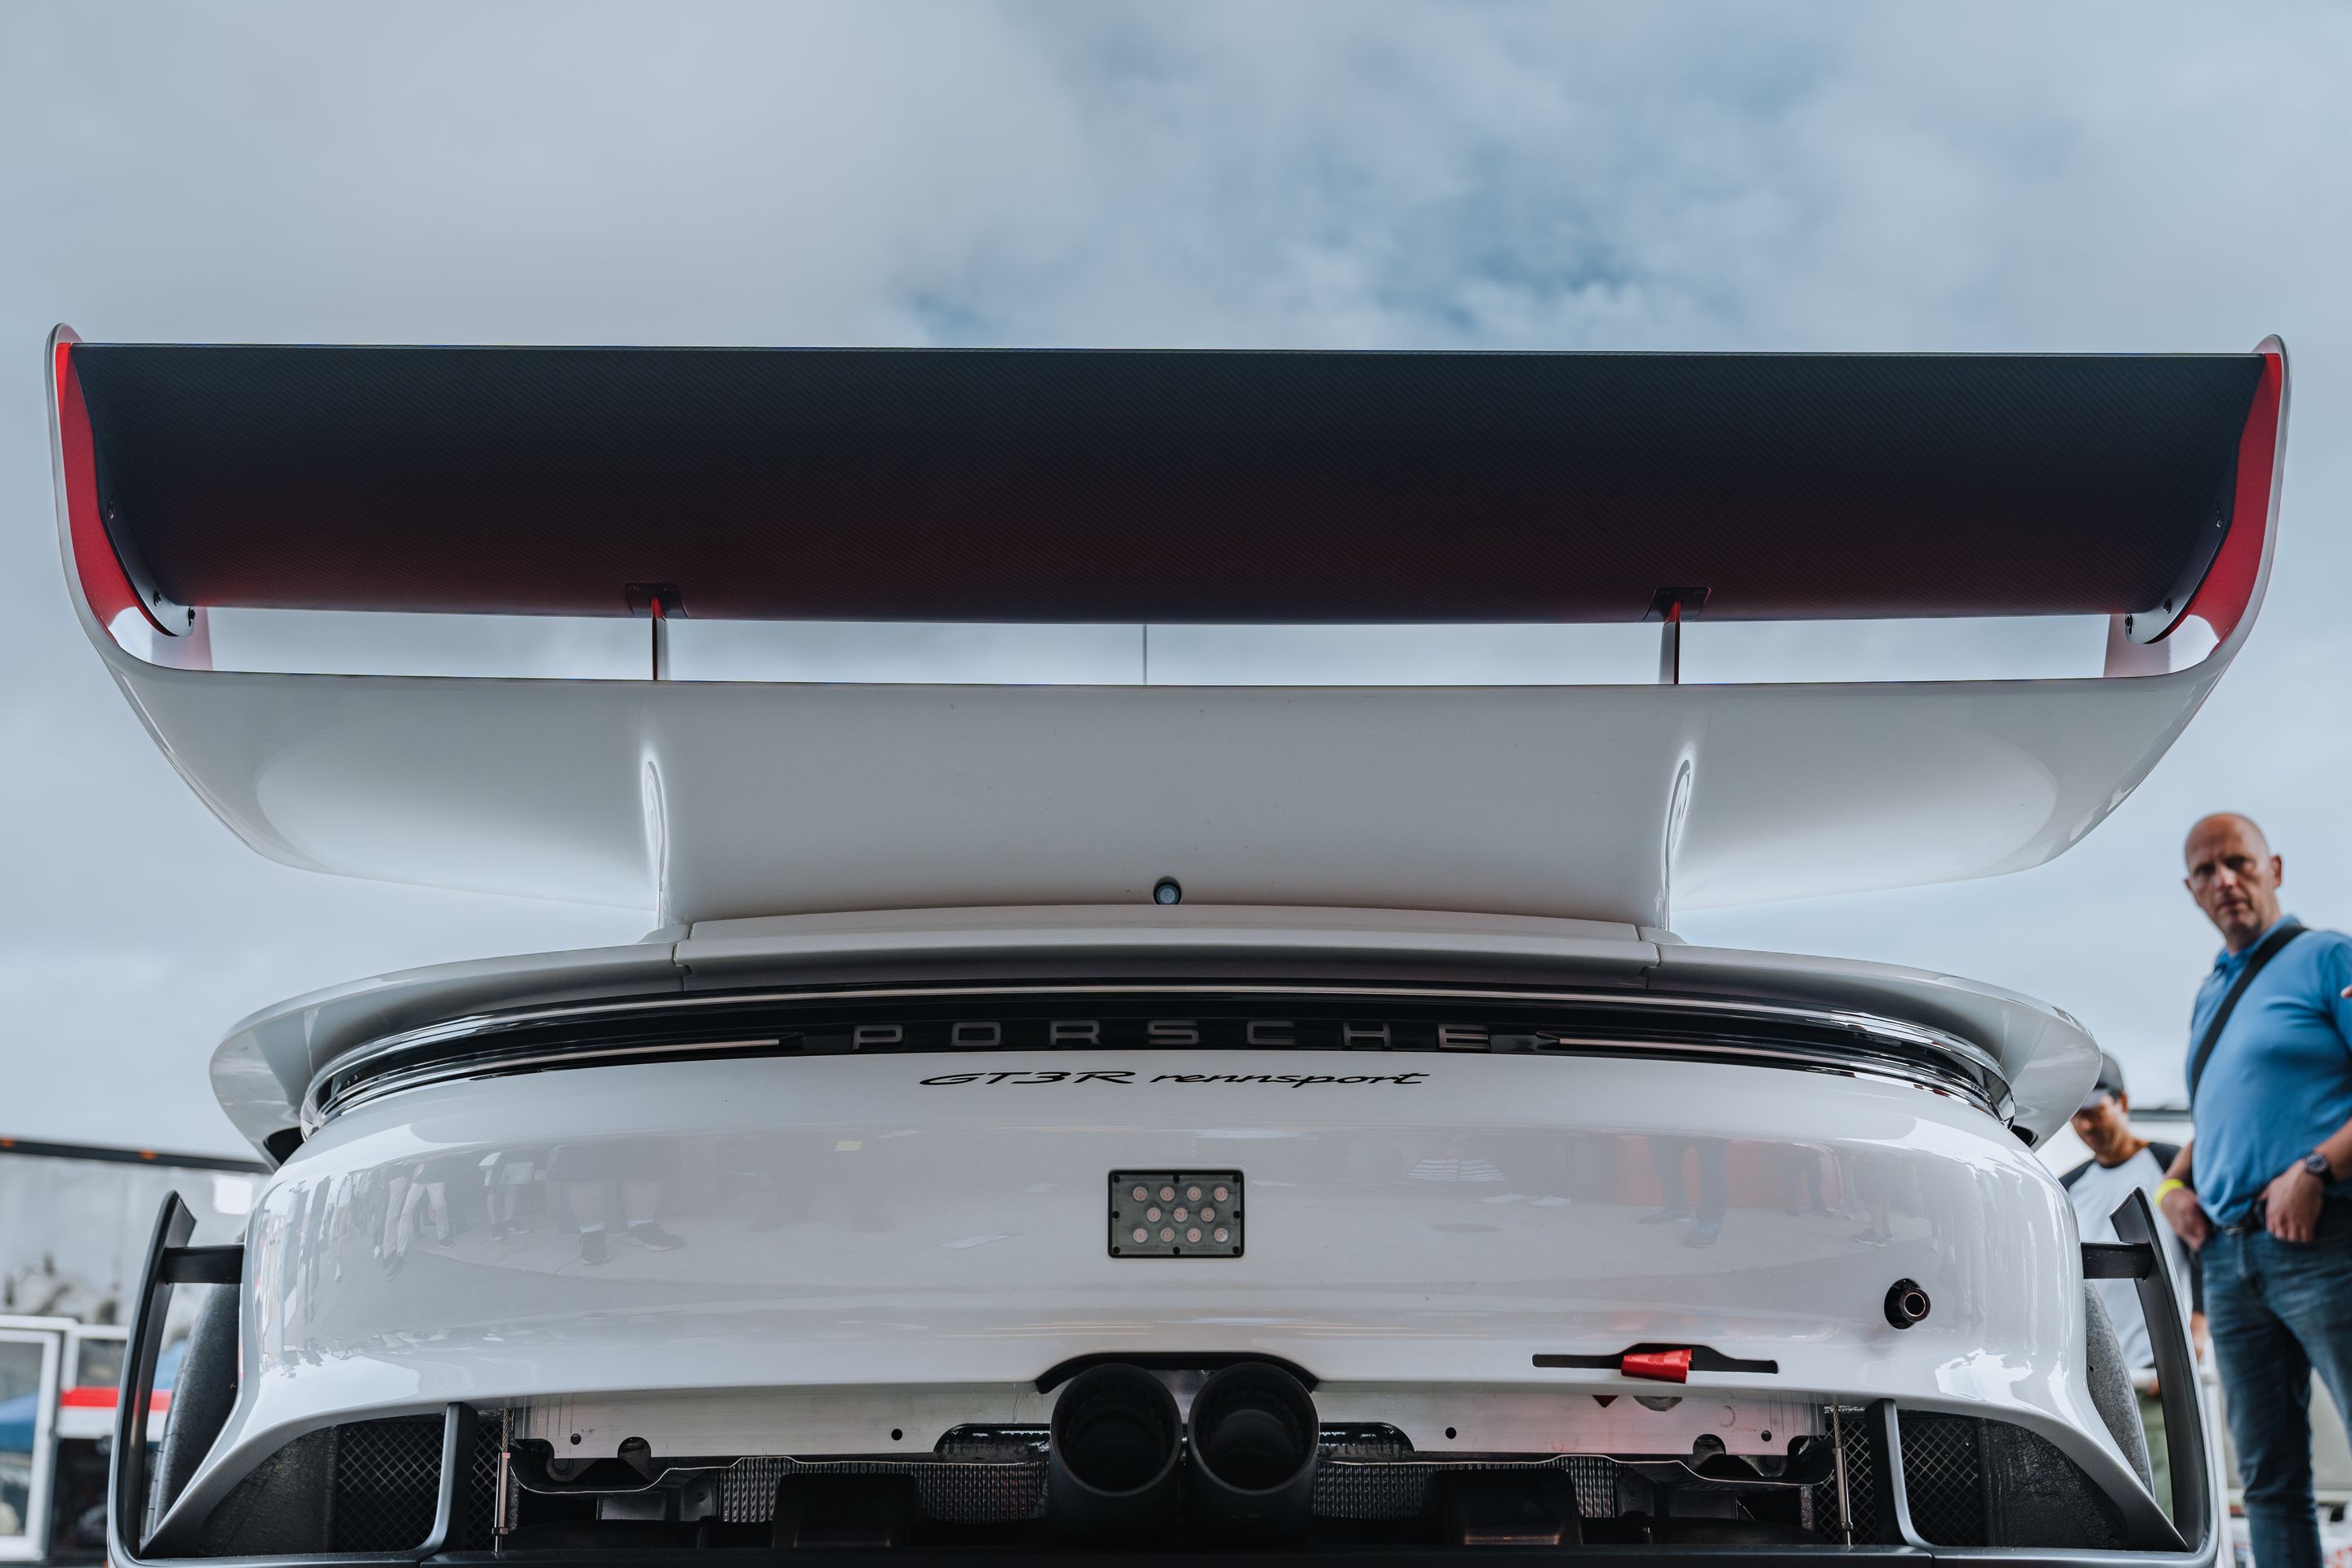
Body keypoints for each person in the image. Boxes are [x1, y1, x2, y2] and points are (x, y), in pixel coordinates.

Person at [2158, 813, 2352, 1568]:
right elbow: (2218, 1117)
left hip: (2323, 1240)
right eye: (2206, 872)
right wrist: (2176, 1183)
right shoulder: (2211, 995)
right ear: (2191, 889)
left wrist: (2317, 1169)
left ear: (2274, 866)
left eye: (2237, 862)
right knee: (2269, 1481)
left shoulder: (2325, 957)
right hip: (2232, 1265)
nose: (2224, 881)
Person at [2063, 1051, 2195, 1510]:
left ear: (2122, 1102)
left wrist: (2193, 1339)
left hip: (2156, 1372)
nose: (2085, 1127)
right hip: (2097, 1375)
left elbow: (2206, 1255)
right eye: (2076, 1117)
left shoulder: (2167, 1164)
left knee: (2169, 1500)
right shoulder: (2068, 1186)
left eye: (2094, 1113)